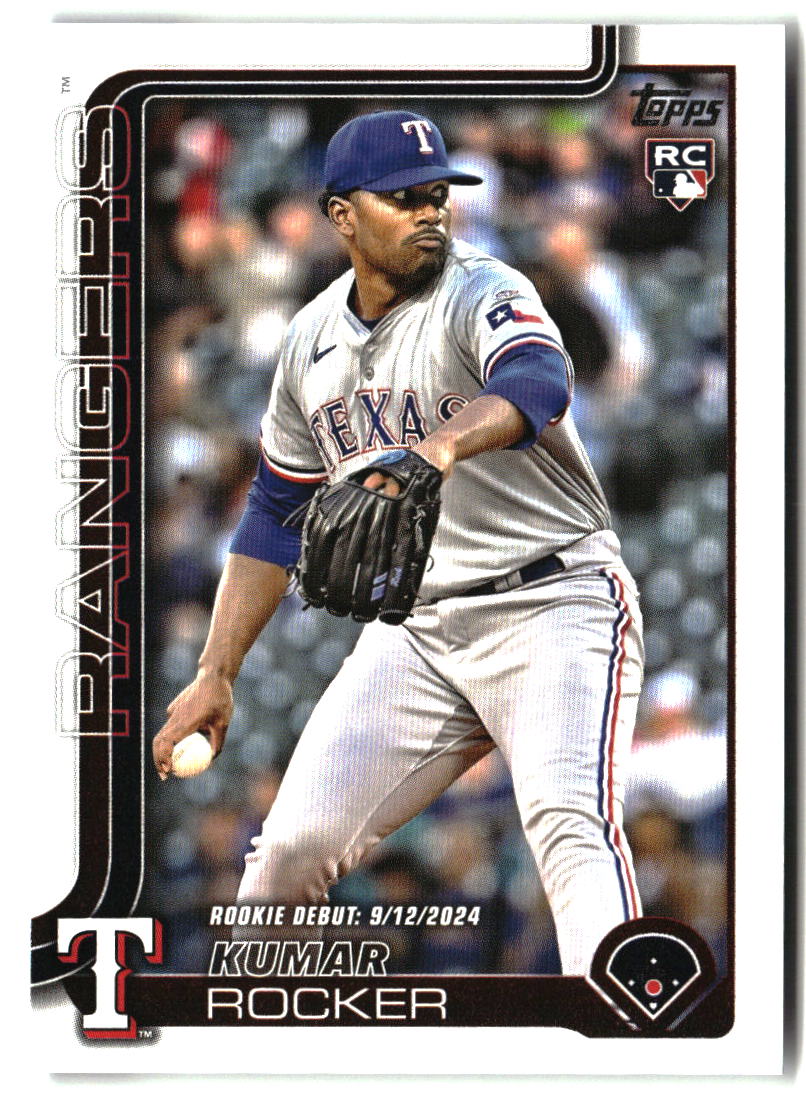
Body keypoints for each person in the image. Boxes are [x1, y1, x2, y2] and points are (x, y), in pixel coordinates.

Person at [153, 110, 645, 975]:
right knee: (288, 855)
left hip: (554, 604)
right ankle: (248, 1037)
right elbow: (273, 512)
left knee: (571, 828)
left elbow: (537, 380)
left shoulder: (482, 288)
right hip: (418, 632)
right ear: (342, 215)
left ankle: (621, 1027)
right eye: (403, 198)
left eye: (436, 195)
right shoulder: (309, 342)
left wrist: (441, 444)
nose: (429, 212)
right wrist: (216, 671)